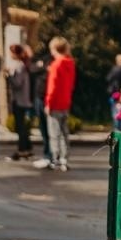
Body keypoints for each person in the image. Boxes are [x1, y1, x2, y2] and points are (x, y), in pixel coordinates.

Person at [36, 37, 75, 172]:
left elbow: (52, 87)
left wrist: (48, 103)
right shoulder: (70, 63)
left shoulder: (56, 65)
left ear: (54, 49)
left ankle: (56, 158)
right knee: (64, 132)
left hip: (55, 103)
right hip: (65, 101)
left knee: (54, 133)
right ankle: (64, 158)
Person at [6, 44, 36, 160]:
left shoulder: (20, 66)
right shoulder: (22, 65)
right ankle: (26, 148)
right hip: (21, 99)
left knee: (21, 126)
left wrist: (8, 76)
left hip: (20, 99)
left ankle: (22, 149)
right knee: (21, 125)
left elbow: (18, 83)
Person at [106, 52, 121, 131]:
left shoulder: (115, 70)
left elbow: (108, 78)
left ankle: (117, 130)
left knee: (116, 113)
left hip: (115, 95)